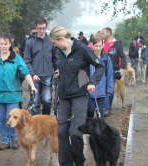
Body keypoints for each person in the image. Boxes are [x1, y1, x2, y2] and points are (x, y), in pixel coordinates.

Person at [49, 26, 104, 166]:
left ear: (61, 39)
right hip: (63, 95)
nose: (54, 45)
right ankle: (65, 163)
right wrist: (59, 71)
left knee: (75, 132)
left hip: (80, 94)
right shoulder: (58, 51)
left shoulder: (82, 49)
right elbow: (63, 66)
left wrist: (92, 82)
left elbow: (100, 66)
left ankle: (79, 161)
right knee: (61, 132)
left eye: (55, 42)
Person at [0, 34, 37, 150]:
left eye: (6, 44)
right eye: (1, 44)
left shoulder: (16, 58)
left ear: (10, 44)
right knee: (1, 119)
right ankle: (5, 141)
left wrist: (32, 86)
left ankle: (14, 139)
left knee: (12, 118)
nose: (3, 46)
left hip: (13, 94)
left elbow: (25, 72)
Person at [24, 17, 58, 115]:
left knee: (47, 100)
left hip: (48, 75)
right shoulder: (30, 42)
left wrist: (56, 69)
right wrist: (32, 74)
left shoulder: (51, 42)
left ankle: (45, 122)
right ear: (36, 28)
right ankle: (36, 125)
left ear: (46, 27)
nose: (41, 30)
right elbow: (26, 60)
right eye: (39, 28)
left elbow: (55, 58)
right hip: (35, 76)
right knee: (35, 102)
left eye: (43, 28)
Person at [101, 27, 126, 116]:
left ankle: (107, 109)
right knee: (101, 88)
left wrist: (122, 68)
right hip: (101, 69)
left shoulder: (117, 44)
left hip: (113, 69)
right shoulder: (101, 43)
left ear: (109, 33)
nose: (101, 35)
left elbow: (122, 56)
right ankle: (102, 107)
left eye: (103, 33)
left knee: (109, 88)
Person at [88, 35, 114, 118]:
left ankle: (100, 130)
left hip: (102, 92)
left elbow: (110, 75)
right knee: (90, 112)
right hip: (89, 92)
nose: (98, 48)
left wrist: (109, 91)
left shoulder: (106, 59)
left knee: (101, 116)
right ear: (92, 46)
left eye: (100, 46)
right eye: (96, 46)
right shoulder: (87, 58)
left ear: (103, 45)